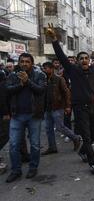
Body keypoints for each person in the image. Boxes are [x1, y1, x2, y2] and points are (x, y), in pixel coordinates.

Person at [46, 23, 94, 175]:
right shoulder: (72, 70)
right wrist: (54, 39)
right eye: (81, 58)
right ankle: (93, 162)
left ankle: (83, 151)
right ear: (77, 61)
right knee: (87, 137)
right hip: (80, 108)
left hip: (93, 107)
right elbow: (61, 56)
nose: (84, 60)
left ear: (89, 60)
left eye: (86, 58)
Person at [5, 53, 46, 183]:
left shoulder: (40, 75)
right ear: (19, 63)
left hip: (34, 115)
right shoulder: (12, 75)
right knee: (14, 145)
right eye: (22, 61)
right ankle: (16, 170)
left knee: (35, 144)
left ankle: (33, 167)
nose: (24, 64)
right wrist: (21, 84)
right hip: (17, 115)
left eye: (27, 61)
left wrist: (27, 81)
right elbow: (8, 90)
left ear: (32, 63)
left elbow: (40, 90)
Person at [42, 62, 82, 155]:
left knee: (60, 127)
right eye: (43, 68)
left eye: (46, 68)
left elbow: (66, 93)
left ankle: (75, 138)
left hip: (57, 107)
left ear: (51, 69)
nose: (44, 70)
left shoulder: (59, 79)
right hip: (47, 108)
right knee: (48, 129)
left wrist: (67, 106)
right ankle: (52, 147)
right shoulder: (44, 80)